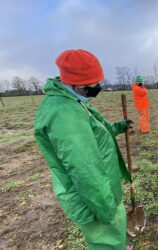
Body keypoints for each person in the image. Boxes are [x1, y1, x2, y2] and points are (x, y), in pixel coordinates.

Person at [34, 49, 133, 249]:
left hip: (102, 192)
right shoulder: (64, 114)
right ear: (77, 85)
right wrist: (108, 211)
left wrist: (119, 126)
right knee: (106, 242)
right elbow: (85, 170)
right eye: (93, 85)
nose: (97, 88)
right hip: (96, 201)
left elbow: (95, 134)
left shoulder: (74, 102)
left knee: (113, 241)